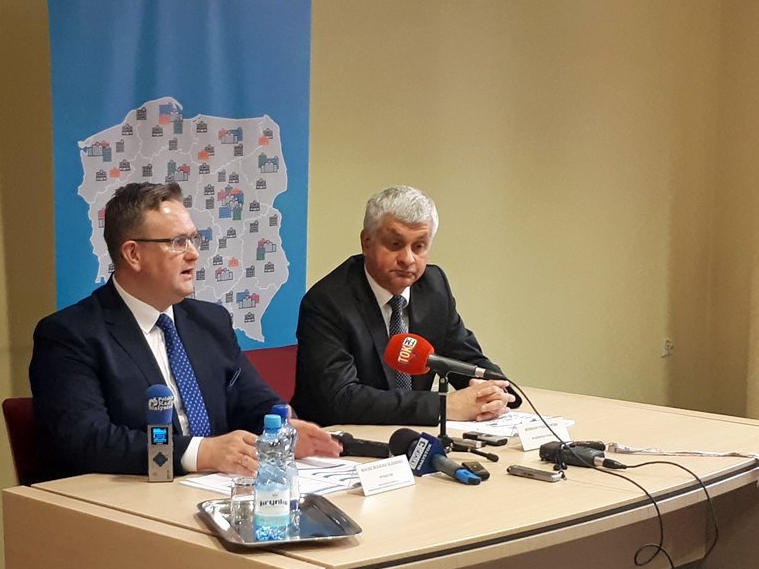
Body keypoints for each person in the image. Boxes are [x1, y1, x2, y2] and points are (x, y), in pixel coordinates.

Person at [29, 181, 340, 483]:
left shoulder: (210, 320)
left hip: (218, 488)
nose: (193, 254)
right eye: (177, 242)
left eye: (193, 239)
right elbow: (87, 440)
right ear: (133, 254)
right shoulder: (70, 335)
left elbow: (250, 399)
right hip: (127, 498)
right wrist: (199, 453)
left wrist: (283, 429)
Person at [293, 184, 519, 427]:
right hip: (337, 439)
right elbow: (341, 399)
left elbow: (465, 359)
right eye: (395, 244)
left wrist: (493, 392)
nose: (408, 259)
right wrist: (442, 406)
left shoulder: (433, 287)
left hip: (410, 435)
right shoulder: (327, 302)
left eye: (419, 246)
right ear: (366, 242)